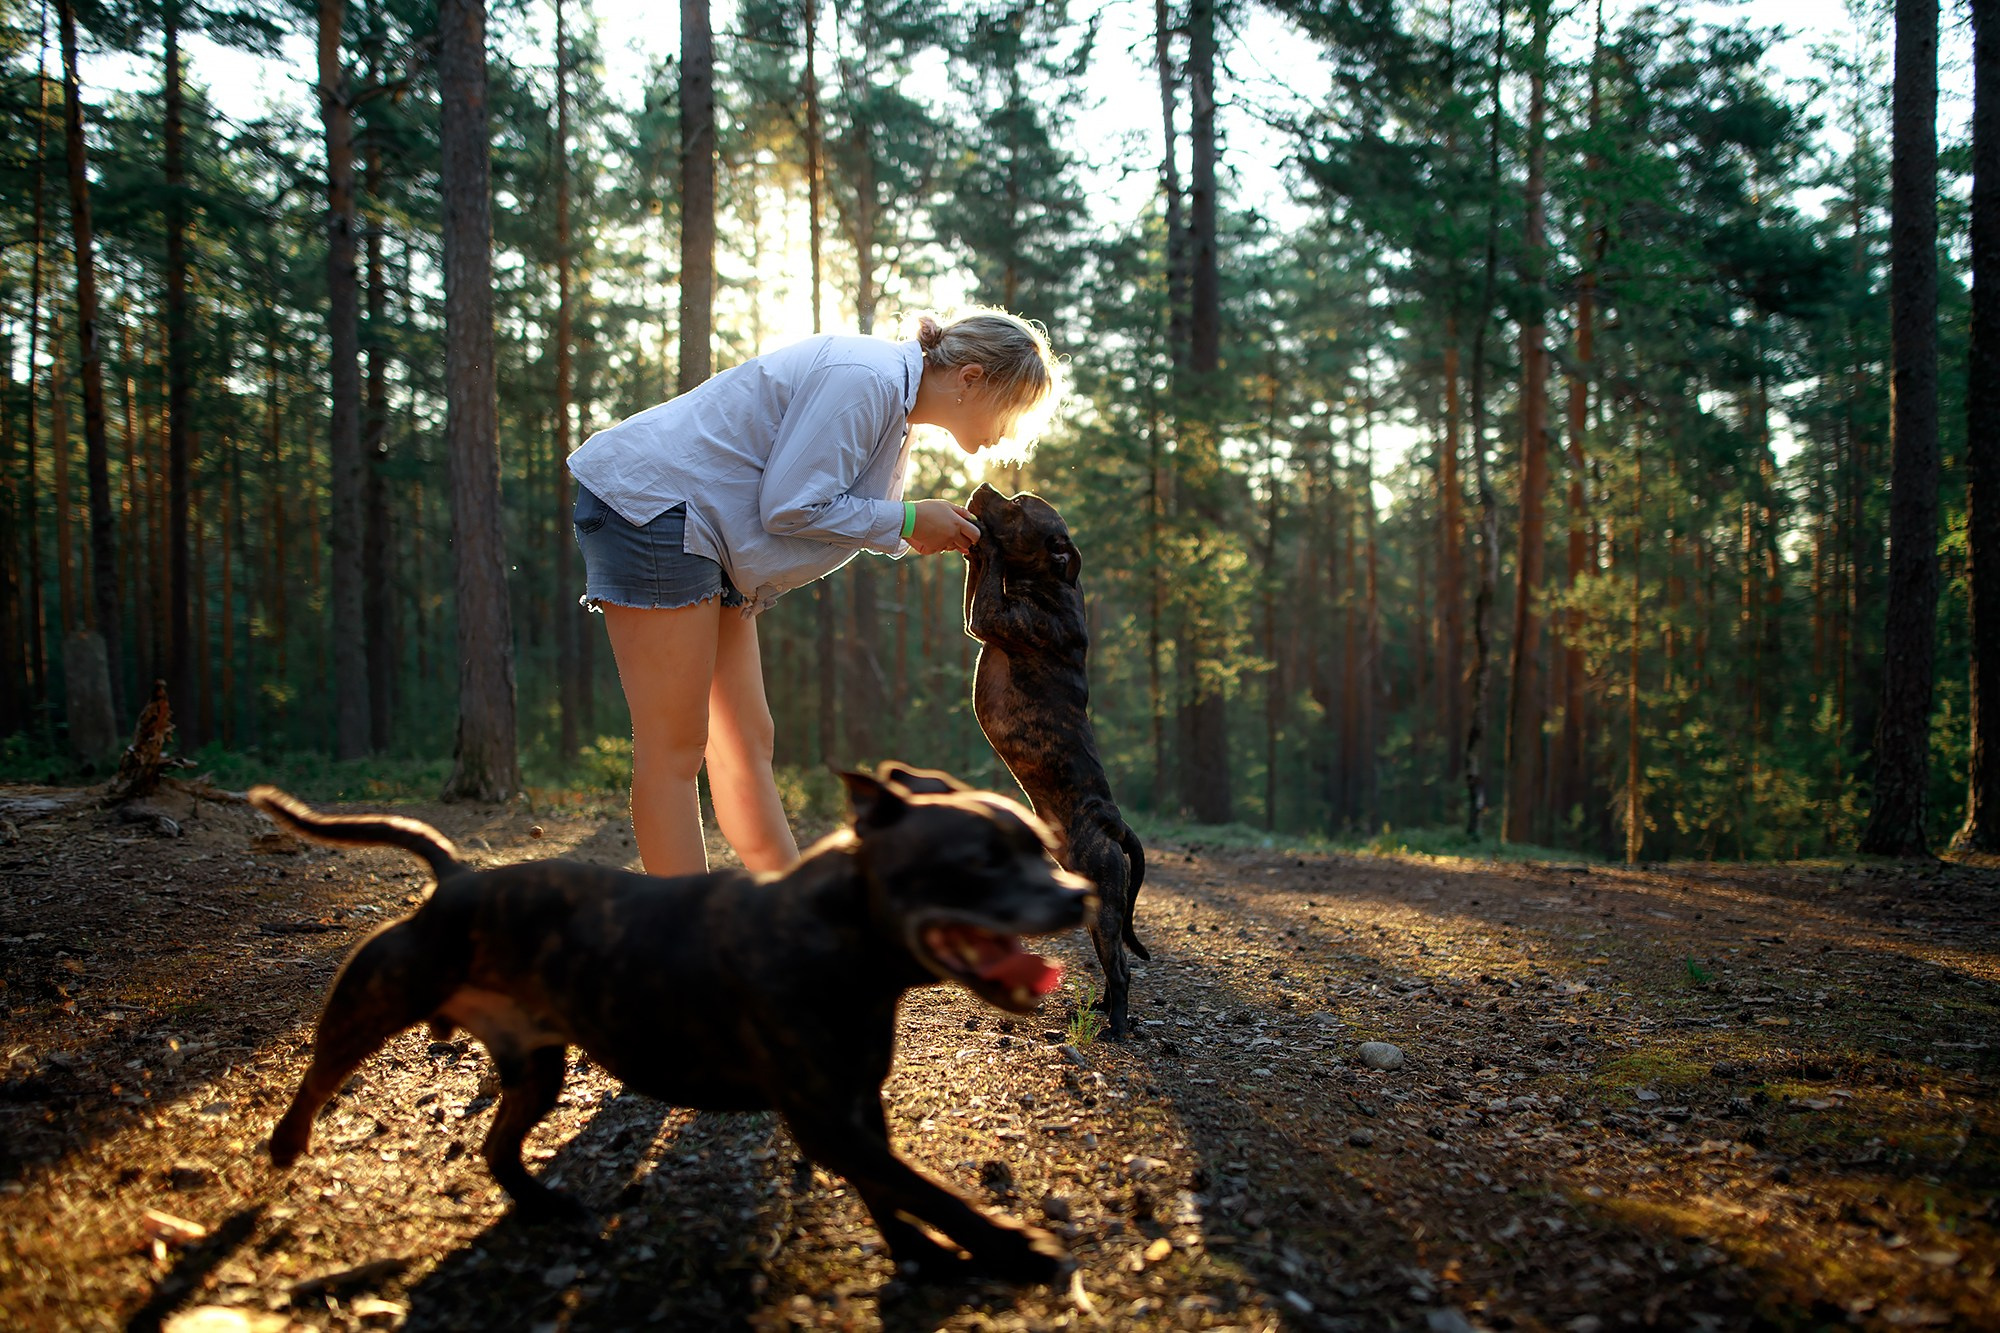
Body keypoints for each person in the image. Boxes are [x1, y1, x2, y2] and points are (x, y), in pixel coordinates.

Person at [566, 307, 1061, 877]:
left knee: (746, 741)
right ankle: (686, 947)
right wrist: (904, 520)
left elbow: (830, 507)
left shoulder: (892, 407)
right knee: (675, 747)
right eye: (1012, 412)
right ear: (970, 378)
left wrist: (909, 528)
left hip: (707, 532)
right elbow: (791, 506)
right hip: (653, 508)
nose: (1008, 436)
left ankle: (790, 922)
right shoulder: (866, 378)